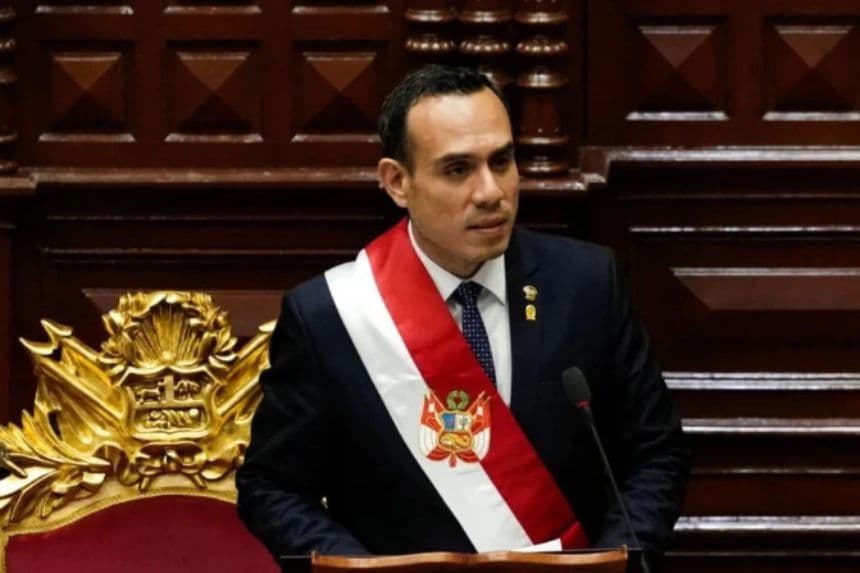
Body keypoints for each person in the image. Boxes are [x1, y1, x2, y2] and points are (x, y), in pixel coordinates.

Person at [236, 65, 690, 566]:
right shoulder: (330, 315)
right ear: (397, 182)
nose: (491, 192)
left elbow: (656, 453)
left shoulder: (585, 284)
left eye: (502, 161)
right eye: (458, 170)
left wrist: (607, 564)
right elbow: (271, 487)